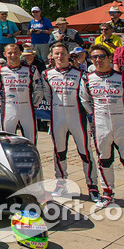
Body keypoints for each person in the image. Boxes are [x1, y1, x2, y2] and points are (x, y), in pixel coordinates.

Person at [80, 44, 124, 213]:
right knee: (104, 160)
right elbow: (85, 100)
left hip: (123, 124)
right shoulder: (87, 79)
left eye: (102, 56)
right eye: (94, 57)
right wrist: (94, 116)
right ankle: (107, 194)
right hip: (101, 125)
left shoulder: (123, 78)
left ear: (109, 58)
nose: (98, 60)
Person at [41, 42, 99, 200]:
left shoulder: (80, 73)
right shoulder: (47, 74)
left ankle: (92, 186)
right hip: (57, 117)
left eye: (62, 53)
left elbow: (86, 96)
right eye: (56, 53)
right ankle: (61, 184)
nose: (60, 56)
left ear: (68, 54)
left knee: (85, 152)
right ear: (51, 56)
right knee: (59, 152)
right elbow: (47, 95)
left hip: (77, 117)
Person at [0, 43, 43, 144]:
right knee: (7, 140)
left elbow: (38, 89)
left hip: (27, 108)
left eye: (15, 53)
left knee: (31, 140)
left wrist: (35, 104)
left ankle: (30, 159)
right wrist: (2, 104)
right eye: (10, 53)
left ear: (20, 53)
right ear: (4, 54)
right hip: (8, 108)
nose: (13, 55)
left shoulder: (31, 69)